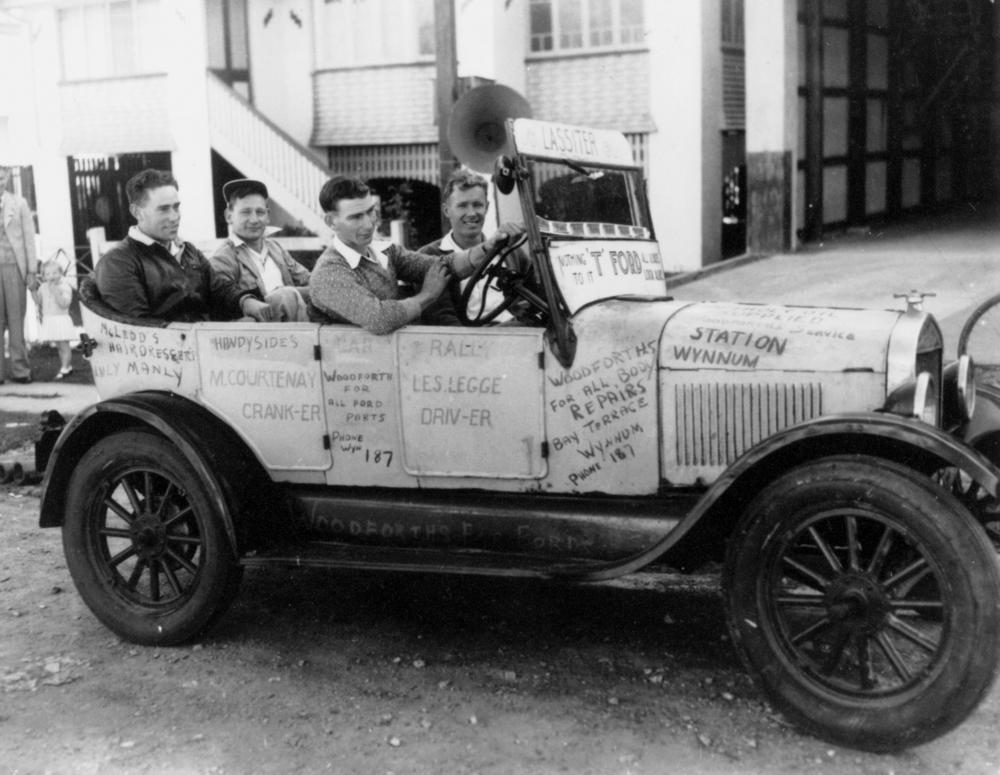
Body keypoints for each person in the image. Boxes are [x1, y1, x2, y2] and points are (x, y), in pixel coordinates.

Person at [308, 175, 523, 335]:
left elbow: (441, 264)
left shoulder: (385, 251)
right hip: (352, 372)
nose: (368, 223)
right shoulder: (330, 272)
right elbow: (378, 318)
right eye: (355, 217)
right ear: (331, 222)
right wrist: (426, 296)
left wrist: (489, 247)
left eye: (370, 211)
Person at [94, 169, 250, 322]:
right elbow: (140, 327)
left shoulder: (188, 251)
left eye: (176, 207)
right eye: (163, 209)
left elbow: (219, 290)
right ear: (137, 212)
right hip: (171, 345)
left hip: (206, 339)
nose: (175, 217)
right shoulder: (118, 262)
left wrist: (245, 301)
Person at [418, 169, 515, 325]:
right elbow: (441, 319)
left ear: (487, 207)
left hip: (518, 337)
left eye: (477, 205)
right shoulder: (429, 256)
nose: (471, 213)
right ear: (446, 210)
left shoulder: (510, 252)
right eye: (462, 206)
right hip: (469, 344)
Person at [210, 179, 311, 322]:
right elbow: (224, 305)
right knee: (286, 296)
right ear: (229, 216)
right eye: (245, 212)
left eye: (260, 212)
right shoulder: (223, 258)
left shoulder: (275, 248)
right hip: (259, 336)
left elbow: (307, 279)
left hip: (295, 323)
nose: (254, 219)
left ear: (268, 216)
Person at [0, 164, 39, 384]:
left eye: (2, 177)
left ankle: (20, 370)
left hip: (14, 267)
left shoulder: (19, 203)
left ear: (7, 178)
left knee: (16, 320)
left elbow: (29, 240)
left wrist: (31, 271)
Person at [33, 257, 76, 380]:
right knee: (59, 346)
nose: (51, 276)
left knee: (64, 345)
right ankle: (67, 366)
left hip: (61, 320)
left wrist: (56, 291)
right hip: (50, 320)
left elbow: (64, 304)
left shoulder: (65, 286)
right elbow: (38, 302)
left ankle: (65, 368)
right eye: (47, 274)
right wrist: (33, 291)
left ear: (61, 273)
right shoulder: (43, 287)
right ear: (43, 276)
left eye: (54, 273)